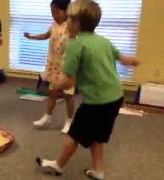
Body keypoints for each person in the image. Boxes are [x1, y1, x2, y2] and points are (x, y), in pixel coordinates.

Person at [36, 0, 139, 179]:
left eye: (68, 18)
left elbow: (68, 82)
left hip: (96, 102)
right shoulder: (104, 41)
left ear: (76, 23)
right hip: (115, 98)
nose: (66, 21)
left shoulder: (76, 45)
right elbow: (121, 57)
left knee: (72, 136)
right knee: (97, 137)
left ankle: (58, 165)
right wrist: (129, 60)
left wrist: (51, 83)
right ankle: (99, 171)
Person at [24, 0, 74, 133]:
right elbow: (46, 35)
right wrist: (32, 37)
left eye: (57, 12)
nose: (54, 15)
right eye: (52, 12)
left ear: (66, 11)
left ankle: (69, 121)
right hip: (54, 66)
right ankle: (47, 117)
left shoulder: (71, 26)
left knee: (68, 96)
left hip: (67, 67)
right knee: (52, 93)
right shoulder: (53, 25)